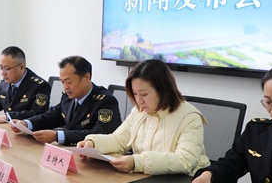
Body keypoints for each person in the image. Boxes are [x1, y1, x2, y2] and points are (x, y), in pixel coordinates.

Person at [76, 59, 210, 174]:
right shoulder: (139, 111)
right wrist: (93, 143)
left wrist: (137, 162)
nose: (139, 101)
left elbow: (186, 160)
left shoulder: (189, 117)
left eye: (144, 94)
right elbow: (119, 140)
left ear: (163, 90)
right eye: (135, 93)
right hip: (147, 178)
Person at [13, 56, 122, 145]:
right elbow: (51, 116)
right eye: (62, 82)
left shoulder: (105, 101)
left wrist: (57, 136)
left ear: (86, 77)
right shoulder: (68, 97)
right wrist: (26, 124)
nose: (65, 87)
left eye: (69, 82)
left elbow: (100, 134)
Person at [0, 46, 51, 123]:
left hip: (28, 129)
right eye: (1, 68)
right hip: (9, 127)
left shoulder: (39, 86)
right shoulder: (5, 83)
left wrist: (8, 117)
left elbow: (38, 114)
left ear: (22, 67)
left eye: (7, 68)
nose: (3, 73)